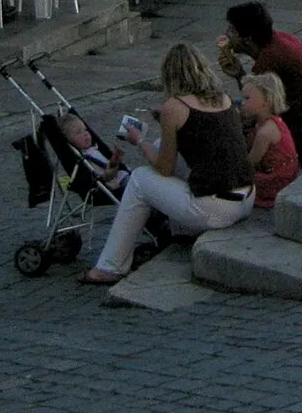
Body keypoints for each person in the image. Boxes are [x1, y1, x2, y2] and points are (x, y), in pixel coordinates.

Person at [80, 43, 254, 285]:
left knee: (140, 179)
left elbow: (164, 168)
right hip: (245, 198)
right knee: (163, 142)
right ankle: (179, 231)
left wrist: (139, 141)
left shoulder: (175, 106)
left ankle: (111, 266)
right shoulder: (223, 98)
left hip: (216, 209)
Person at [218, 1, 302, 165]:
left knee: (234, 123)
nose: (227, 35)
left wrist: (239, 75)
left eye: (232, 30)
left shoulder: (270, 60)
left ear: (247, 39)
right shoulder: (280, 38)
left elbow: (257, 107)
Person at [238, 72, 302, 210]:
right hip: (284, 173)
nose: (242, 103)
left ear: (267, 100)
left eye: (247, 98)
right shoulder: (271, 122)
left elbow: (249, 163)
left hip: (276, 179)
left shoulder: (265, 132)